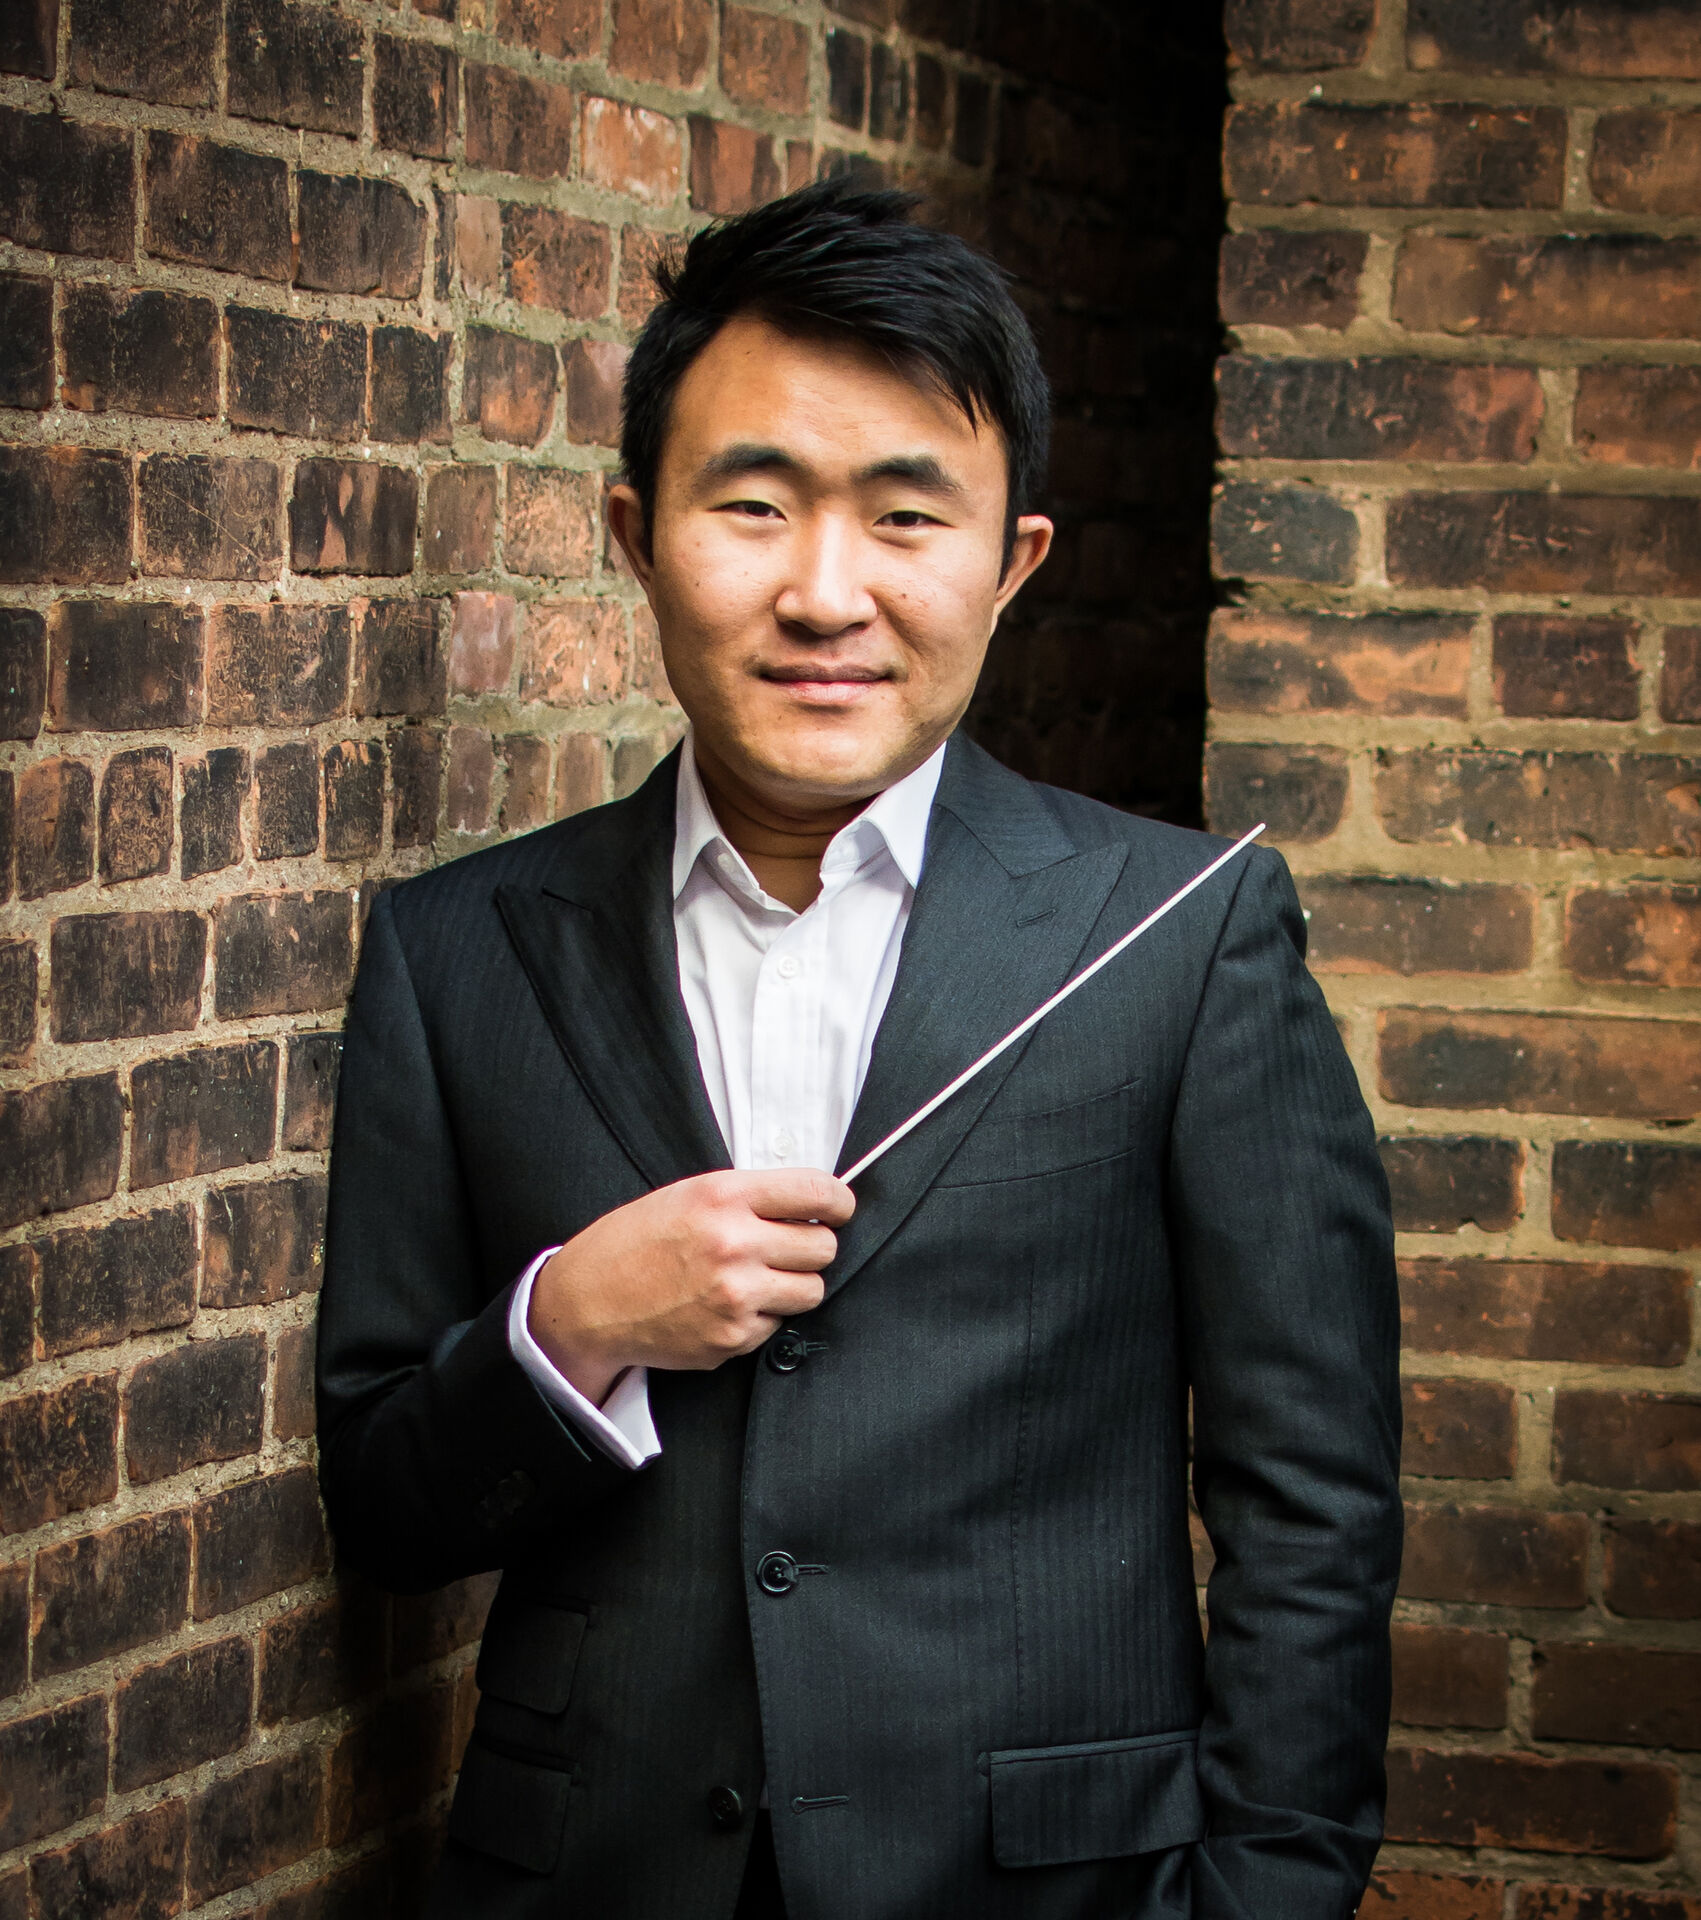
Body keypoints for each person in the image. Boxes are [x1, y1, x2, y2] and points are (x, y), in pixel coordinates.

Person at [317, 179, 1401, 1920]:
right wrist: (571, 1324)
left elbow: (1312, 1498)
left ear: (1011, 561)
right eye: (752, 506)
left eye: (904, 519)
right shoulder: (456, 950)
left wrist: (1263, 1897)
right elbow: (384, 1508)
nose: (826, 595)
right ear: (635, 534)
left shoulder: (1179, 936)